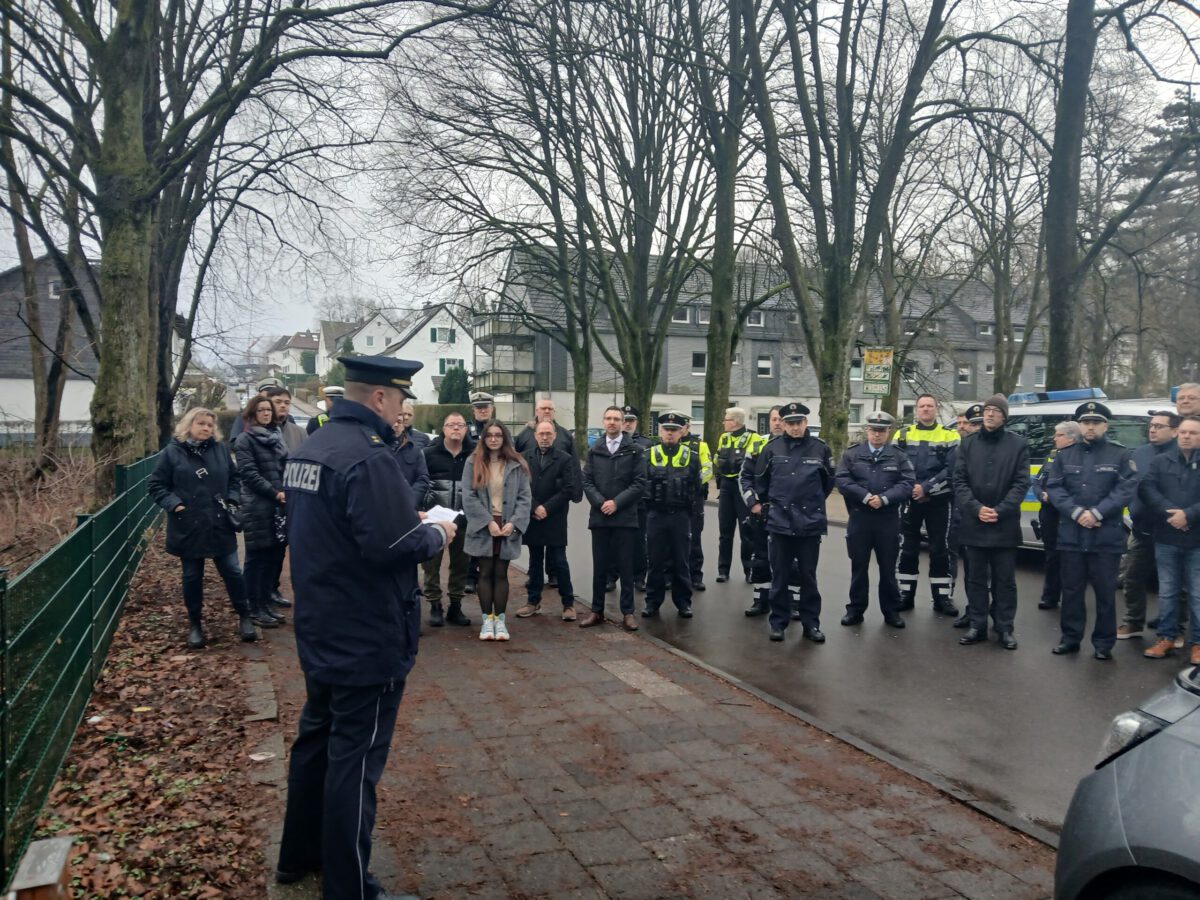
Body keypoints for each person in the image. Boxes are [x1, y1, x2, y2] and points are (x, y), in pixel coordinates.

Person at [276, 355, 455, 900]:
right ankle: (350, 889)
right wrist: (438, 533)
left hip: (322, 625)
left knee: (317, 742)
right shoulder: (370, 458)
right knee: (354, 761)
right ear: (379, 397)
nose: (405, 410)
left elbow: (337, 531)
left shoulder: (312, 449)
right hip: (367, 632)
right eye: (402, 399)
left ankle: (298, 857)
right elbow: (391, 546)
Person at [148, 407, 258, 649]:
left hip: (219, 523)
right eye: (201, 424)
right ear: (189, 425)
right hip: (189, 525)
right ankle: (195, 624)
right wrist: (175, 505)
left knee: (232, 571)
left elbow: (235, 478)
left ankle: (245, 617)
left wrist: (232, 499)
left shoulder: (220, 450)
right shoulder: (172, 453)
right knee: (191, 577)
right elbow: (156, 485)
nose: (206, 428)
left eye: (210, 425)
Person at [1044, 403, 1137, 660]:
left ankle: (1103, 644)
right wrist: (1077, 513)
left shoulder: (1119, 454)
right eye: (1086, 422)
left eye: (1096, 422)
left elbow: (1124, 489)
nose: (1091, 426)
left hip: (1104, 536)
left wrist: (1096, 513)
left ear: (1105, 426)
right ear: (1080, 426)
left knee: (1105, 593)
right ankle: (1070, 638)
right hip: (1072, 535)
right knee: (1072, 591)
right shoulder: (1065, 455)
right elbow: (1055, 487)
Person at [744, 402, 834, 643]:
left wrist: (810, 503)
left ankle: (811, 624)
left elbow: (827, 484)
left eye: (800, 422)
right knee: (780, 577)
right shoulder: (771, 449)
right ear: (783, 424)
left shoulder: (820, 449)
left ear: (806, 423)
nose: (795, 427)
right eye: (791, 423)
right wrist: (757, 504)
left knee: (808, 577)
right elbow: (760, 482)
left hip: (810, 522)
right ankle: (778, 624)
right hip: (780, 522)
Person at [953, 394, 1030, 650]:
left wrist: (1000, 509)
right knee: (975, 579)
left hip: (1003, 524)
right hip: (974, 523)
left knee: (1004, 581)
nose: (989, 414)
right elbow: (960, 481)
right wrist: (976, 509)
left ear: (1004, 416)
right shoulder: (968, 444)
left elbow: (1021, 483)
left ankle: (1005, 627)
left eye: (996, 411)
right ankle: (977, 624)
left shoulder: (1017, 445)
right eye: (987, 410)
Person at [834, 412, 915, 628]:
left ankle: (891, 612)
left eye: (882, 430)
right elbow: (842, 479)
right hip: (860, 518)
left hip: (887, 519)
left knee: (888, 569)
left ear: (888, 432)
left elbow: (907, 483)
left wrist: (886, 499)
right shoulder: (852, 454)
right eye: (873, 430)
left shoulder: (898, 455)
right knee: (859, 567)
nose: (877, 434)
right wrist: (866, 496)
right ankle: (855, 610)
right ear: (867, 431)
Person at [579, 406, 647, 632]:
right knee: (600, 566)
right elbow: (587, 481)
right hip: (600, 518)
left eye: (616, 419)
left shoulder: (635, 450)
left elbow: (639, 483)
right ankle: (596, 610)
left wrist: (617, 502)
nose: (612, 422)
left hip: (625, 517)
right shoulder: (594, 449)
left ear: (622, 423)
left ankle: (628, 613)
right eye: (608, 418)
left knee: (626, 567)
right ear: (603, 421)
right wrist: (601, 503)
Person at [462, 421, 532, 641]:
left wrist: (514, 523)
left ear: (505, 438)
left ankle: (500, 621)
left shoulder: (516, 463)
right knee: (484, 572)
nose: (493, 439)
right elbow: (468, 496)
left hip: (506, 525)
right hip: (484, 524)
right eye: (489, 435)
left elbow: (524, 497)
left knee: (501, 573)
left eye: (498, 435)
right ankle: (487, 621)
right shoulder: (473, 461)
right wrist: (487, 522)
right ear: (483, 438)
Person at [1140, 414, 1200, 663]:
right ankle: (1166, 637)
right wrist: (1171, 514)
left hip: (1198, 540)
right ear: (1177, 434)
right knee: (1167, 592)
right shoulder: (1161, 461)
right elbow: (1146, 489)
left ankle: (1197, 643)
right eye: (1184, 432)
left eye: (1193, 433)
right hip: (1166, 537)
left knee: (1198, 594)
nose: (1186, 436)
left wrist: (1188, 515)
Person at [894, 394, 959, 616]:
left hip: (938, 502)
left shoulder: (950, 435)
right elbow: (895, 466)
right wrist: (913, 489)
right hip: (910, 500)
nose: (925, 409)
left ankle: (942, 598)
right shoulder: (902, 434)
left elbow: (952, 470)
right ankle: (905, 595)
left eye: (930, 406)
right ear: (916, 409)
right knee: (908, 548)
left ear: (936, 408)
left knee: (940, 549)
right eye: (922, 406)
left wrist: (927, 488)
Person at [1118, 410, 1180, 639]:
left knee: (1173, 584)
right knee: (1132, 577)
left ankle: (1174, 628)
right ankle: (1133, 622)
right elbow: (1129, 484)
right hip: (1141, 529)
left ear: (1174, 431)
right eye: (1151, 425)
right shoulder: (1141, 453)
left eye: (1159, 426)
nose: (1152, 429)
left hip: (1171, 531)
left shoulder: (1183, 454)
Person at [515, 420, 581, 621]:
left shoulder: (565, 459)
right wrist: (535, 507)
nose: (545, 437)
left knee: (560, 562)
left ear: (554, 436)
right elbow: (521, 487)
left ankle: (568, 604)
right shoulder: (525, 458)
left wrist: (547, 507)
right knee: (535, 563)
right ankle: (533, 602)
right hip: (533, 517)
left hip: (555, 517)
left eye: (548, 434)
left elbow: (568, 488)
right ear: (535, 435)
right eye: (541, 433)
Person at [233, 395, 290, 629]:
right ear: (252, 414)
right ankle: (253, 608)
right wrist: (275, 493)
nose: (266, 413)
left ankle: (266, 604)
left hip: (279, 505)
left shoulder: (277, 437)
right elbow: (249, 474)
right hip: (257, 505)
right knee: (256, 558)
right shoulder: (245, 440)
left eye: (269, 410)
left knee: (273, 557)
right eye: (262, 410)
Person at [642, 411, 702, 619]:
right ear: (660, 431)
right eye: (667, 429)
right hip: (655, 515)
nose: (670, 433)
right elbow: (641, 485)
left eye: (674, 430)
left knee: (681, 561)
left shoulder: (692, 457)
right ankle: (652, 602)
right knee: (655, 561)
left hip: (680, 516)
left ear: (681, 432)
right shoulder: (647, 454)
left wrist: (693, 515)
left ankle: (683, 603)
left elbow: (697, 488)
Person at [513, 396, 577, 590]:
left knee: (557, 551)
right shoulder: (524, 435)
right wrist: (532, 505)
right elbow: (515, 465)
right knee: (535, 553)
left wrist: (576, 493)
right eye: (543, 408)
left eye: (550, 408)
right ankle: (535, 582)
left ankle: (555, 575)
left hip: (556, 503)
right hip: (532, 502)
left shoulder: (565, 436)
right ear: (537, 411)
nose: (547, 411)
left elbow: (574, 466)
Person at [421, 411, 475, 628]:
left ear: (465, 429)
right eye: (451, 425)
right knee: (431, 565)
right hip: (434, 520)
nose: (455, 429)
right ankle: (435, 605)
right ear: (443, 429)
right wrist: (425, 506)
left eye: (460, 425)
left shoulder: (474, 454)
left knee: (461, 564)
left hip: (463, 519)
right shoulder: (428, 453)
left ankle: (455, 605)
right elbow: (421, 482)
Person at [1034, 421, 1082, 611]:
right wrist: (1041, 494)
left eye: (1059, 435)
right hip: (1049, 513)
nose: (1054, 438)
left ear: (1071, 437)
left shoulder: (1080, 457)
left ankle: (1071, 597)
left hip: (1068, 514)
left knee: (1071, 559)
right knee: (1051, 556)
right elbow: (1037, 482)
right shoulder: (1053, 456)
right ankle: (1050, 596)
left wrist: (1055, 497)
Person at [741, 405, 783, 619]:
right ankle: (761, 600)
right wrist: (753, 503)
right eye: (773, 419)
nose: (777, 423)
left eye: (780, 419)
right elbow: (745, 476)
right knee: (761, 557)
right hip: (762, 511)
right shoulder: (757, 444)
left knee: (791, 561)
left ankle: (791, 602)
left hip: (789, 513)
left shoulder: (801, 445)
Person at [715, 407, 766, 583]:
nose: (724, 422)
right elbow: (717, 458)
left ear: (735, 421)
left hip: (742, 486)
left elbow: (757, 463)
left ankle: (748, 570)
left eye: (726, 419)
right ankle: (723, 570)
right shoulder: (724, 437)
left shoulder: (755, 438)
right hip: (727, 487)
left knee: (747, 531)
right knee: (725, 531)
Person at [949, 404, 983, 628]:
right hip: (961, 516)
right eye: (970, 424)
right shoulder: (960, 450)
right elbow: (956, 481)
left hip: (984, 517)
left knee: (983, 572)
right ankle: (972, 612)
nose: (969, 428)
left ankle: (986, 615)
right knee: (969, 570)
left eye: (974, 424)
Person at [680, 418, 714, 591]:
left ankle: (696, 576)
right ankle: (671, 576)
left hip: (694, 497)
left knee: (694, 538)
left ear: (687, 427)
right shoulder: (670, 444)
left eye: (682, 426)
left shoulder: (700, 445)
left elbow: (708, 469)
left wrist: (693, 483)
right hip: (676, 499)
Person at [229, 375, 282, 443]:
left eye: (275, 396)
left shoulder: (287, 419)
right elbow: (235, 442)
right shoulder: (245, 416)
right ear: (260, 396)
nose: (271, 399)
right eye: (268, 395)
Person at [391, 411, 431, 499]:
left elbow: (422, 478)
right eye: (393, 421)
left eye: (399, 422)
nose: (396, 425)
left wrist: (410, 500)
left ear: (403, 426)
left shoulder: (414, 449)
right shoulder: (378, 447)